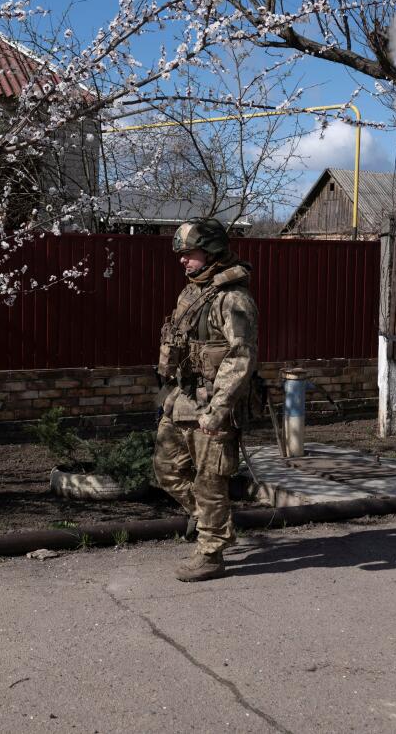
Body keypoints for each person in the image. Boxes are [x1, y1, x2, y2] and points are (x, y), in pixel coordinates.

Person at [155, 217, 258, 582]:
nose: (183, 260)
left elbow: (241, 356)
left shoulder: (233, 298)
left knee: (210, 481)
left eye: (189, 253)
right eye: (180, 254)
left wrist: (219, 410)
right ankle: (211, 521)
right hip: (182, 399)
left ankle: (211, 552)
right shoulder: (193, 292)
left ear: (211, 250)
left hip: (213, 404)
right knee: (166, 470)